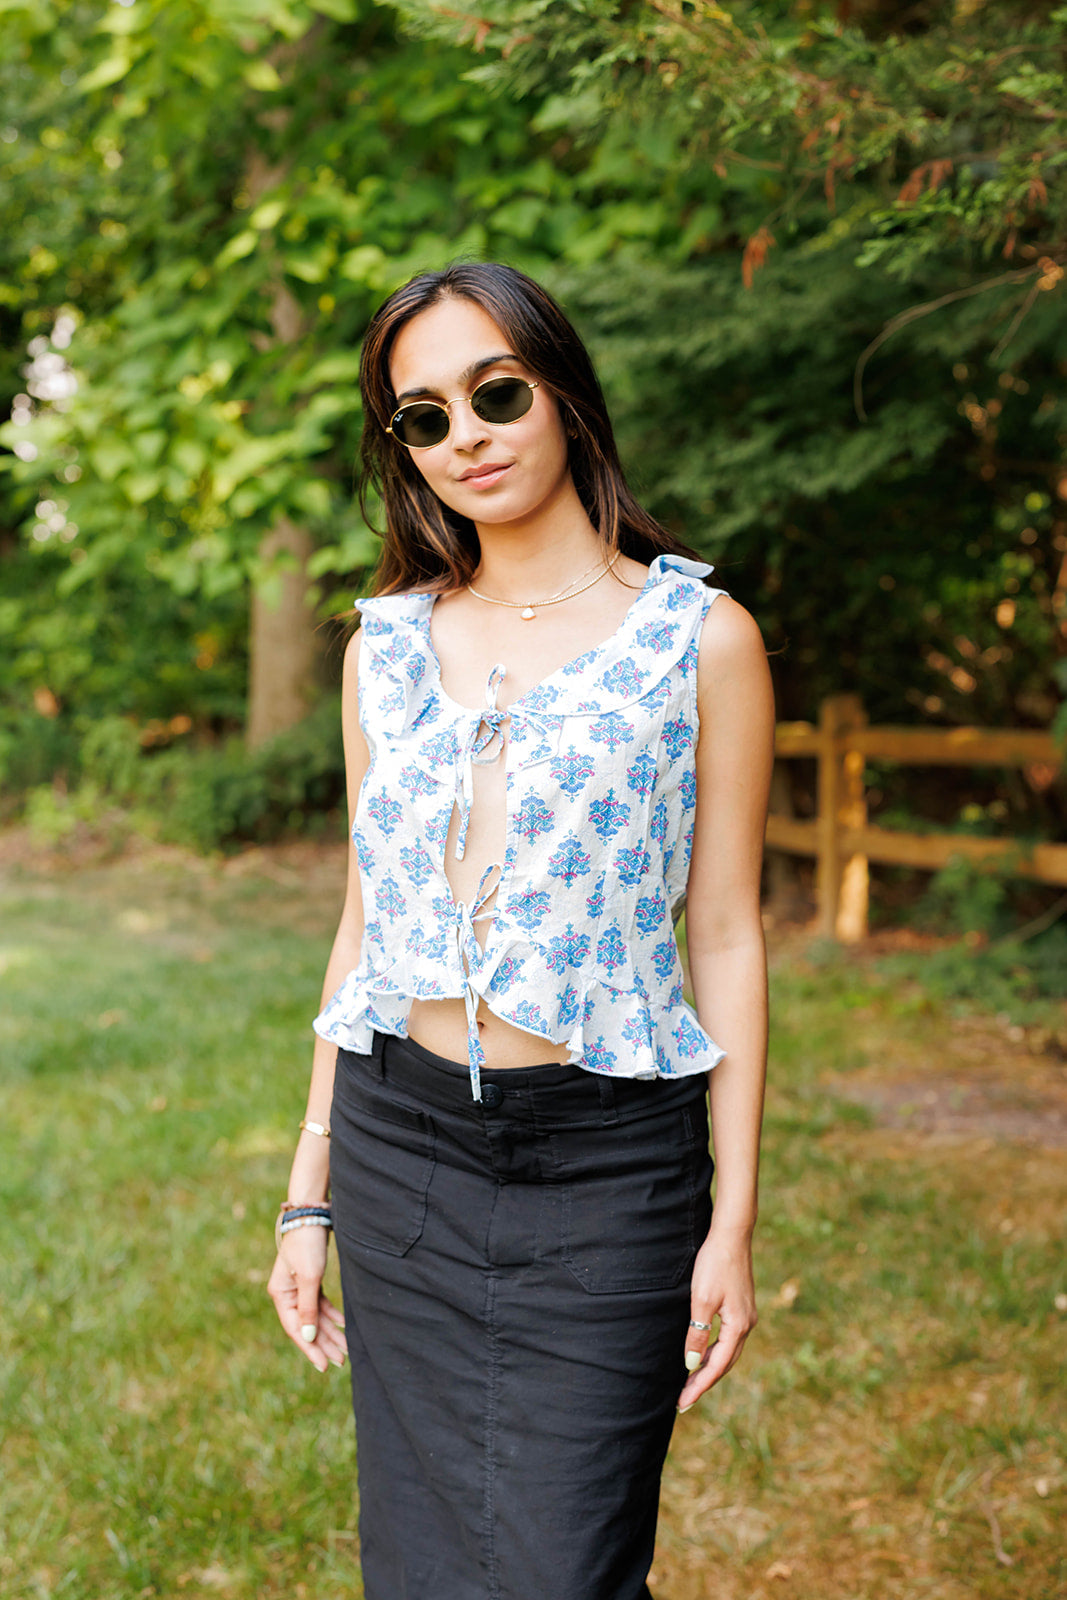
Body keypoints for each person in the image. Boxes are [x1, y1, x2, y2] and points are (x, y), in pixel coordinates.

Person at [268, 262, 774, 1600]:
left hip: (610, 1168)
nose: (467, 438)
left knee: (568, 1567)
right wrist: (311, 1191)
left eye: (496, 393)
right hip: (402, 1148)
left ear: (564, 391)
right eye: (424, 417)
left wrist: (733, 1221)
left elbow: (727, 936)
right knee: (423, 1564)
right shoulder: (382, 648)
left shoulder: (702, 639)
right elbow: (365, 924)